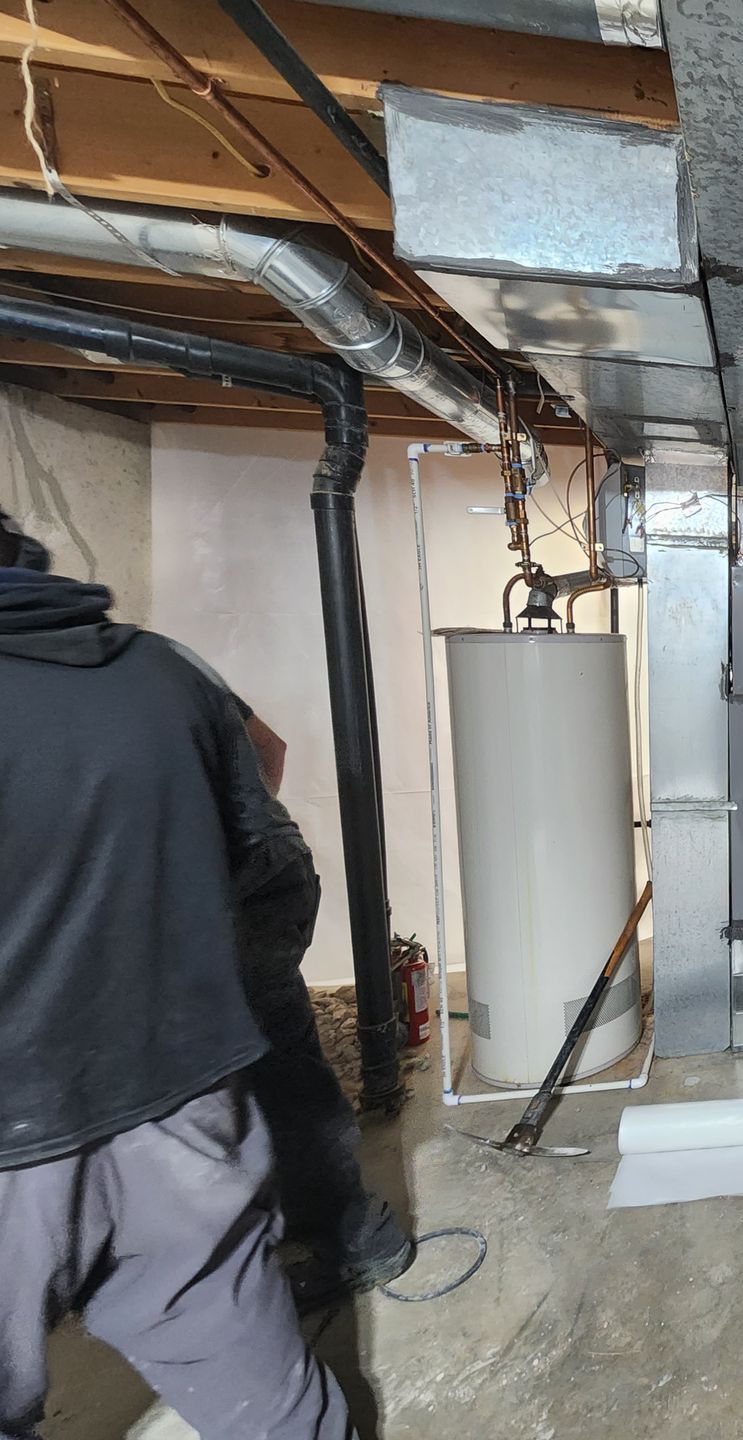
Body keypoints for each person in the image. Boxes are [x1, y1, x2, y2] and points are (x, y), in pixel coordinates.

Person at [0, 507, 354, 1439]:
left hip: (21, 1124)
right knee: (265, 1392)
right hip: (184, 1080)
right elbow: (259, 793)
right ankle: (357, 1233)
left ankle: (355, 1231)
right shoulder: (163, 669)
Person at [164, 643, 415, 1308]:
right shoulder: (162, 661)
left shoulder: (46, 679)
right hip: (266, 871)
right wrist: (254, 822)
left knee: (272, 1061)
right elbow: (268, 748)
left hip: (233, 889)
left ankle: (349, 1233)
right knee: (275, 1047)